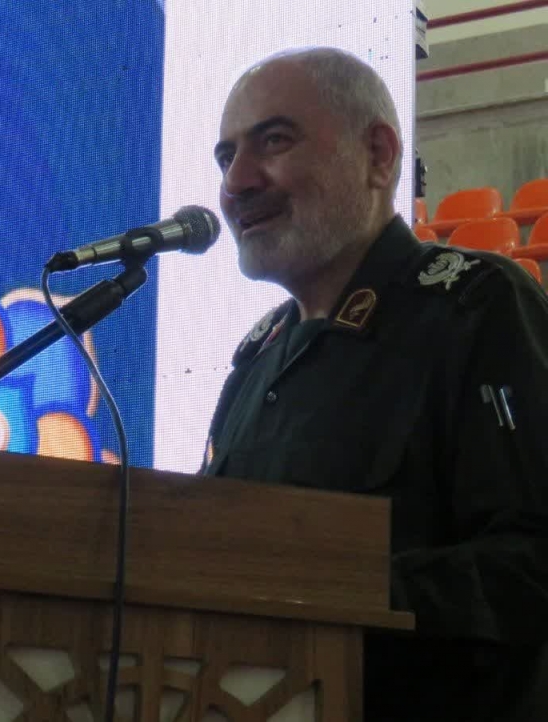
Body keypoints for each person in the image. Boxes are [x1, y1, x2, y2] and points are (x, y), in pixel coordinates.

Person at [199, 47, 548, 721]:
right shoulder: (253, 362)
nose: (236, 182)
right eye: (225, 156)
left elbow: (532, 561)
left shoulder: (477, 310)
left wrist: (333, 593)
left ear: (379, 156)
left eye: (274, 141)